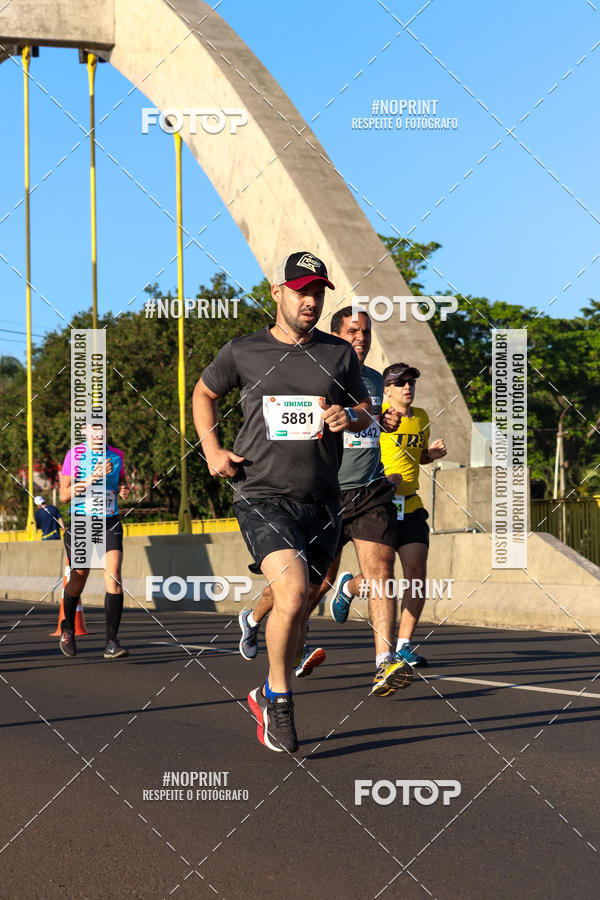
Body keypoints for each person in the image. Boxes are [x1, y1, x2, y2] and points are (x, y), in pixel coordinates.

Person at [193, 251, 372, 753]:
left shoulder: (339, 354)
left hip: (322, 500)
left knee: (302, 605)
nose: (311, 301)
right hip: (262, 494)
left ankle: (262, 686)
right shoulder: (244, 351)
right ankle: (279, 700)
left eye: (318, 292)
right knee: (291, 593)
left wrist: (348, 417)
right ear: (278, 294)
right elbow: (203, 393)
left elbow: (364, 408)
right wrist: (212, 449)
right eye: (301, 291)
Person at [239, 307, 414, 697]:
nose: (361, 338)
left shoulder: (371, 381)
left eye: (366, 332)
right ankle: (254, 618)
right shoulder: (316, 371)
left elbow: (367, 421)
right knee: (307, 588)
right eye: (353, 331)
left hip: (369, 490)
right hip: (324, 495)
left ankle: (384, 663)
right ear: (335, 335)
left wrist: (378, 423)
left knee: (382, 570)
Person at [337, 362, 447, 667]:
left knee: (417, 576)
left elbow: (418, 455)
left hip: (410, 504)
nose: (407, 387)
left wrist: (430, 454)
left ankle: (403, 646)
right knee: (382, 579)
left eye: (411, 382)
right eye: (400, 383)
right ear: (386, 389)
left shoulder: (421, 417)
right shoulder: (375, 414)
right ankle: (348, 587)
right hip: (378, 502)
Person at [58, 418, 131, 660]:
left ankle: (112, 642)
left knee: (114, 577)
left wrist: (123, 489)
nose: (99, 432)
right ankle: (68, 628)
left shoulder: (117, 455)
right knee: (79, 577)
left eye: (103, 427)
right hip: (81, 523)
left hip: (109, 521)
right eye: (94, 428)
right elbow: (64, 496)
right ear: (85, 431)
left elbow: (121, 482)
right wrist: (90, 478)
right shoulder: (75, 455)